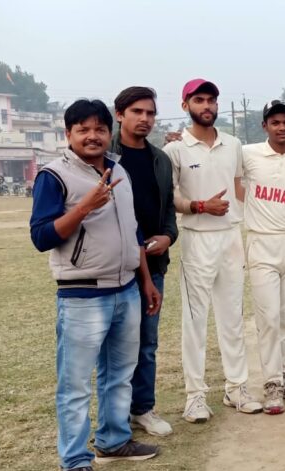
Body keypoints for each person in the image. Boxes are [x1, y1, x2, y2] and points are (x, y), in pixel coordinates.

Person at [30, 99, 161, 469]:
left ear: (109, 132)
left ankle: (113, 441)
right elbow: (41, 237)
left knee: (119, 376)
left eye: (99, 129)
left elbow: (133, 230)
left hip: (127, 290)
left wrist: (145, 280)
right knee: (75, 385)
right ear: (68, 134)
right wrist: (84, 206)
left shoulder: (119, 170)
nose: (92, 136)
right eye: (83, 129)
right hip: (82, 295)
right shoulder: (53, 175)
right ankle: (75, 459)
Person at [164, 79, 262, 421]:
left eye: (211, 100)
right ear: (185, 105)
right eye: (199, 100)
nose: (207, 106)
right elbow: (171, 197)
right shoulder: (176, 149)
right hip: (197, 237)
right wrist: (201, 206)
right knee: (195, 320)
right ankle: (195, 396)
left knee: (232, 317)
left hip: (231, 236)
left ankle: (237, 388)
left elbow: (239, 187)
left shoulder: (233, 144)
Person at [109, 86, 178, 436]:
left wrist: (168, 237)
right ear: (119, 114)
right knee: (116, 346)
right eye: (137, 111)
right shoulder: (105, 156)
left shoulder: (160, 159)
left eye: (150, 113)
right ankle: (115, 416)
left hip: (153, 264)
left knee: (147, 343)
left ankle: (143, 408)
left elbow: (169, 210)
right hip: (114, 266)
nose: (145, 119)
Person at [242, 100, 285, 414]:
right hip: (261, 243)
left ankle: (282, 375)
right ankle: (271, 384)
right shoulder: (248, 154)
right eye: (275, 122)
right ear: (265, 126)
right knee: (268, 318)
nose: (282, 128)